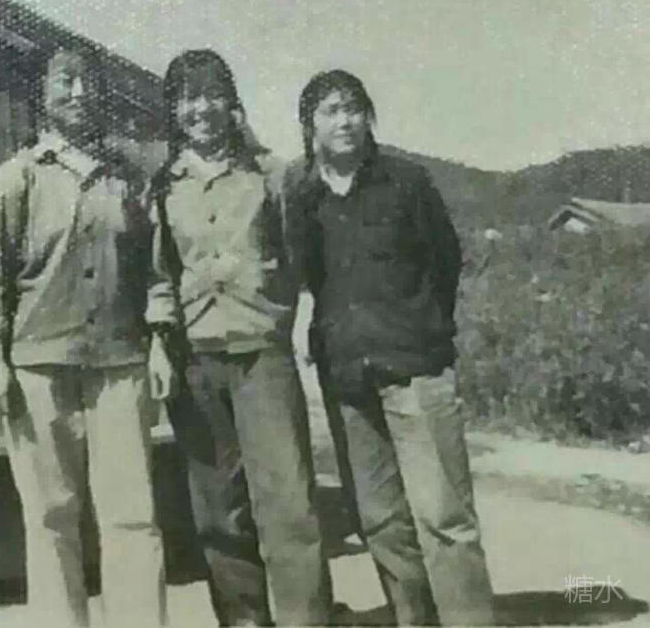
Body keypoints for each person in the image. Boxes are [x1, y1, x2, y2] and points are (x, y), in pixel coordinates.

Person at [0, 48, 165, 628]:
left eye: (88, 81)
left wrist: (160, 343)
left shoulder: (129, 179)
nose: (78, 92)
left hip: (120, 365)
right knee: (51, 516)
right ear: (42, 93)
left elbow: (157, 273)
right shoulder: (15, 178)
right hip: (38, 369)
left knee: (132, 514)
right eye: (65, 81)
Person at [285, 69, 495, 626]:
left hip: (416, 369)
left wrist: (422, 330)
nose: (344, 121)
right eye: (330, 111)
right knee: (379, 519)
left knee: (443, 517)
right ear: (310, 125)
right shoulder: (303, 199)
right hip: (347, 378)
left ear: (368, 116)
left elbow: (445, 262)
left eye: (353, 108)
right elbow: (306, 279)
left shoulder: (407, 182)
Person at [145, 49, 331, 626]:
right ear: (174, 110)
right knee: (218, 511)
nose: (200, 109)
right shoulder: (164, 185)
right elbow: (159, 275)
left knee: (288, 504)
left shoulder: (273, 175)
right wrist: (160, 341)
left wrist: (297, 315)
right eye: (187, 98)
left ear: (231, 103)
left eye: (211, 95)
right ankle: (245, 620)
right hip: (196, 361)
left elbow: (305, 258)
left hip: (262, 355)